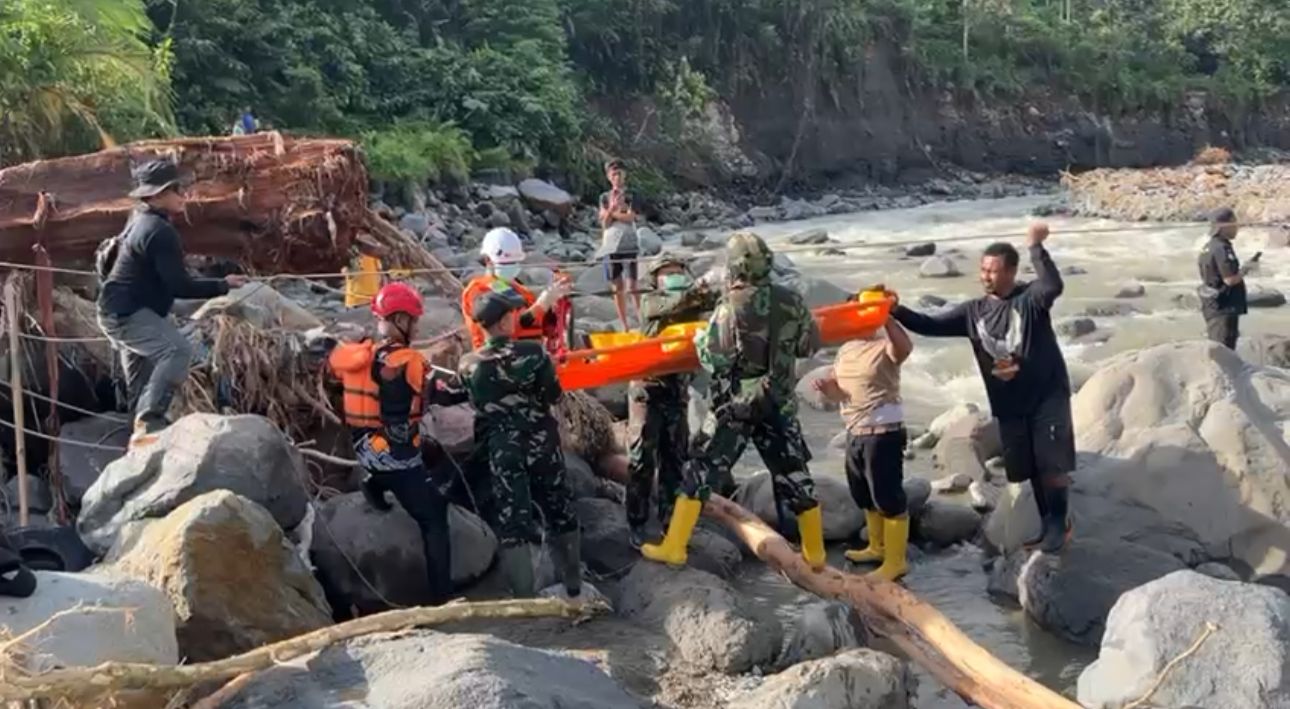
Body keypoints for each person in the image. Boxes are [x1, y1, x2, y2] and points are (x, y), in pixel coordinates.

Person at [642, 232, 827, 570]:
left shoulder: (730, 305)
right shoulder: (793, 300)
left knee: (700, 470)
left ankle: (674, 547)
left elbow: (716, 359)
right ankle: (815, 554)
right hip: (779, 403)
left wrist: (699, 340)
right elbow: (808, 347)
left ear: (735, 267)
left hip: (736, 405)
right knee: (795, 474)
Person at [891, 223, 1074, 554]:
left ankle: (1060, 525)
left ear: (1011, 272)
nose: (986, 276)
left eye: (994, 270)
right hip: (1009, 405)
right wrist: (893, 309)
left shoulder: (1031, 299)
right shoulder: (973, 312)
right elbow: (928, 324)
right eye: (983, 269)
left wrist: (1036, 246)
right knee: (1027, 467)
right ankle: (1048, 523)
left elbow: (1053, 284)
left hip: (1047, 397)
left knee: (1051, 463)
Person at [98, 160, 247, 448]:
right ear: (158, 194)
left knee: (141, 379)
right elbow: (179, 286)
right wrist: (223, 285)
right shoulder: (159, 231)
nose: (183, 194)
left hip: (117, 308)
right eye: (177, 189)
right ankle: (150, 419)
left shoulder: (140, 218)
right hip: (128, 315)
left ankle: (138, 437)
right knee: (177, 350)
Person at [328, 283, 452, 605]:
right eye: (413, 320)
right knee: (434, 515)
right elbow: (440, 394)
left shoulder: (356, 354)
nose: (418, 326)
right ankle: (443, 597)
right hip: (395, 457)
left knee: (432, 451)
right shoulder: (409, 361)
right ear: (400, 319)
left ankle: (374, 481)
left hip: (366, 450)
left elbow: (335, 372)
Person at [459, 292, 583, 601]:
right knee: (559, 506)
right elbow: (553, 395)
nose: (517, 317)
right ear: (502, 320)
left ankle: (524, 597)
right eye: (512, 314)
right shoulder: (534, 352)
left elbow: (475, 402)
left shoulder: (468, 364)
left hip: (502, 446)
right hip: (541, 439)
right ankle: (573, 583)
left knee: (513, 518)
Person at [813, 290, 914, 581]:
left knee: (888, 495)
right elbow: (842, 393)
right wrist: (830, 391)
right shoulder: (846, 350)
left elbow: (904, 349)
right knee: (863, 493)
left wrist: (888, 316)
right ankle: (876, 546)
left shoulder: (884, 345)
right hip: (854, 430)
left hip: (883, 432)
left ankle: (896, 561)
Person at [626, 253, 720, 548]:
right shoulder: (651, 302)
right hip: (647, 390)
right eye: (667, 272)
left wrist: (721, 283)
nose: (673, 276)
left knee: (674, 460)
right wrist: (701, 285)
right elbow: (675, 303)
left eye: (678, 271)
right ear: (656, 279)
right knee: (642, 459)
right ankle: (637, 523)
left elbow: (716, 303)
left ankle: (670, 523)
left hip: (676, 391)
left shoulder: (692, 303)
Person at [461, 227, 570, 350]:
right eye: (505, 264)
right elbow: (506, 328)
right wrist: (542, 304)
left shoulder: (519, 289)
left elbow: (538, 324)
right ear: (488, 260)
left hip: (530, 355)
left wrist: (552, 305)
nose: (511, 267)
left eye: (514, 263)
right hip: (498, 357)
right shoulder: (479, 291)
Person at [1197, 207, 1252, 350]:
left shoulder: (1208, 246)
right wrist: (1246, 269)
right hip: (1224, 306)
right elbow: (1230, 279)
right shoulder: (1222, 248)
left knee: (1218, 348)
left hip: (1213, 305)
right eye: (1234, 224)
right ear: (1223, 227)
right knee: (1224, 352)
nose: (1237, 228)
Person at [596, 159, 640, 331]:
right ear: (608, 177)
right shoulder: (604, 198)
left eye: (620, 173)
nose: (617, 177)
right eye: (614, 174)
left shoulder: (631, 196)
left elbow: (631, 218)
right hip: (610, 246)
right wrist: (613, 210)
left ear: (625, 175)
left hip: (629, 244)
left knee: (633, 285)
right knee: (617, 286)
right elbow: (605, 223)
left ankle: (642, 321)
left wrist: (613, 214)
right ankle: (624, 325)